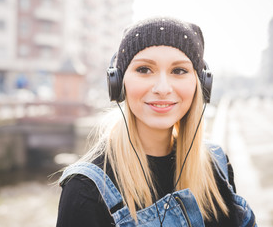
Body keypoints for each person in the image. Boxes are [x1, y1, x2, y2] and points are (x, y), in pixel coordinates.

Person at [56, 17, 257, 227]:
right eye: (144, 69)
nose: (162, 88)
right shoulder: (85, 188)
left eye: (179, 71)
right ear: (118, 83)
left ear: (201, 85)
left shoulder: (217, 163)